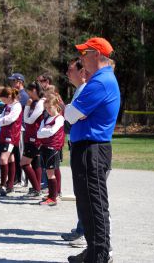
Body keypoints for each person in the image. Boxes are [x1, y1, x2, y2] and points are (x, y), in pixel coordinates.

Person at [65, 37, 119, 263]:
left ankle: (99, 255)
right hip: (87, 149)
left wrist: (73, 111)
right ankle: (94, 250)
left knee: (94, 203)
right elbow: (73, 115)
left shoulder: (100, 82)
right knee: (86, 202)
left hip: (92, 149)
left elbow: (69, 115)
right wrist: (74, 111)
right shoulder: (99, 80)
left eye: (84, 54)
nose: (81, 59)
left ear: (97, 54)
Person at [60, 57, 87, 248]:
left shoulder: (85, 89)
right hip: (76, 143)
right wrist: (67, 109)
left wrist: (67, 109)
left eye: (71, 70)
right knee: (81, 191)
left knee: (86, 193)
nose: (68, 73)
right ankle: (81, 228)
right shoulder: (79, 90)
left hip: (86, 145)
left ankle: (85, 233)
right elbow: (70, 115)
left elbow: (73, 116)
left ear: (82, 72)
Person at [37, 93, 65, 206]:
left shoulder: (60, 118)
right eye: (46, 108)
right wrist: (45, 131)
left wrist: (45, 131)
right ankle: (51, 194)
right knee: (48, 172)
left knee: (50, 173)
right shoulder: (46, 119)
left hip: (53, 148)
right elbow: (38, 134)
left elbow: (52, 131)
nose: (48, 110)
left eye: (50, 107)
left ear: (56, 105)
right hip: (44, 148)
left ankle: (53, 198)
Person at [21, 81, 45, 197]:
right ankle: (37, 187)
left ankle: (36, 188)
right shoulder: (35, 102)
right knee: (35, 162)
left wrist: (27, 106)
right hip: (30, 135)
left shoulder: (40, 103)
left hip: (34, 137)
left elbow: (28, 120)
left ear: (34, 90)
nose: (28, 94)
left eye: (29, 91)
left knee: (24, 163)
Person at [0, 87, 22, 196]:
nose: (2, 102)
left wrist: (2, 121)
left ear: (9, 97)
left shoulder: (17, 106)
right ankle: (10, 185)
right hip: (3, 135)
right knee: (10, 158)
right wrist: (2, 121)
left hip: (11, 136)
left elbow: (10, 119)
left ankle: (3, 184)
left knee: (3, 158)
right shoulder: (7, 106)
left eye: (3, 99)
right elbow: (0, 119)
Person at [8, 72, 27, 187]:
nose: (12, 83)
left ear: (19, 82)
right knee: (14, 154)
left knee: (20, 153)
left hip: (21, 128)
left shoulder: (23, 95)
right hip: (15, 128)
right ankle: (16, 178)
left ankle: (23, 180)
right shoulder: (16, 94)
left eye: (14, 81)